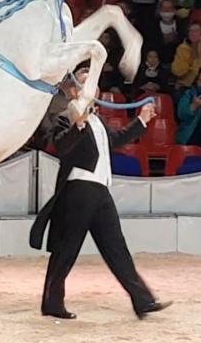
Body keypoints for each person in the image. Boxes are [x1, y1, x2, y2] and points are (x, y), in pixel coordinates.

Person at [29, 68, 171, 320]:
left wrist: (141, 121)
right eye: (85, 82)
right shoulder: (65, 115)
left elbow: (113, 141)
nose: (92, 86)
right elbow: (60, 146)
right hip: (78, 190)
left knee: (117, 248)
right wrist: (78, 124)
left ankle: (143, 300)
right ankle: (52, 302)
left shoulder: (98, 118)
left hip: (100, 191)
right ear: (74, 90)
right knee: (66, 250)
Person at [144, 0, 181, 64]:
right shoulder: (152, 26)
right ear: (159, 10)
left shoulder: (181, 25)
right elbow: (149, 45)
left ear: (174, 10)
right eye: (164, 8)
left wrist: (176, 39)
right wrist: (163, 40)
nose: (166, 10)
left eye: (170, 8)